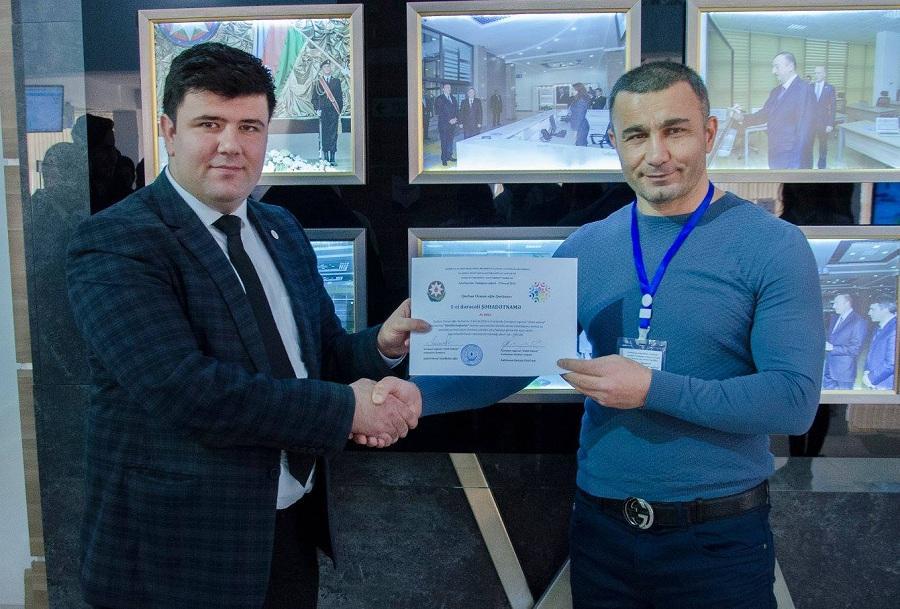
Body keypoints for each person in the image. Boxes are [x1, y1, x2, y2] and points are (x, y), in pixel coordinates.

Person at [397, 62, 824, 608]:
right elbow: (518, 358)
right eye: (636, 136)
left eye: (675, 131)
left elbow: (791, 401)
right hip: (603, 533)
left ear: (710, 133)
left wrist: (650, 389)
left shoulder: (773, 245)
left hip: (717, 540)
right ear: (615, 143)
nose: (657, 154)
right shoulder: (588, 245)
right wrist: (416, 397)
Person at [66, 42, 425, 609]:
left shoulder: (280, 227)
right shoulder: (118, 240)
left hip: (288, 529)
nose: (231, 145)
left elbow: (319, 354)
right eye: (209, 123)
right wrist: (347, 409)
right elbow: (184, 390)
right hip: (176, 555)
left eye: (250, 127)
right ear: (168, 131)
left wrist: (379, 347)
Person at [732, 52, 815, 169]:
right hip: (775, 153)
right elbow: (764, 114)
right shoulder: (776, 91)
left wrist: (795, 169)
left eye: (777, 67)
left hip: (793, 160)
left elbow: (805, 131)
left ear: (790, 67)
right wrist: (741, 117)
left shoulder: (805, 90)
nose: (773, 71)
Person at [822, 293, 868, 390]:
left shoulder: (858, 321)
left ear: (847, 303)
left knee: (843, 399)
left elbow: (855, 349)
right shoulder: (834, 318)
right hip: (829, 370)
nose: (834, 306)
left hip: (844, 373)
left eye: (836, 303)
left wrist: (833, 348)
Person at [312, 59, 343, 165]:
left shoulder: (336, 81)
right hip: (323, 112)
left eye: (329, 67)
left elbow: (340, 98)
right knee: (324, 133)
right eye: (325, 67)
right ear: (322, 69)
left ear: (331, 68)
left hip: (333, 112)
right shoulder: (318, 83)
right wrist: (317, 109)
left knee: (333, 134)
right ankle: (325, 156)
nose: (327, 68)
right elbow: (314, 98)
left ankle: (332, 157)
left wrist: (338, 110)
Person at [863, 299, 897, 390]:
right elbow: (872, 352)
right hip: (876, 381)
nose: (869, 313)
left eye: (872, 309)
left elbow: (892, 363)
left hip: (886, 384)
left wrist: (871, 378)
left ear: (885, 310)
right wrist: (867, 371)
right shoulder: (879, 326)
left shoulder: (895, 329)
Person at [810, 66, 836, 169]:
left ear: (824, 74)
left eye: (819, 73)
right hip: (810, 123)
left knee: (823, 145)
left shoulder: (830, 88)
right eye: (815, 73)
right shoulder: (810, 86)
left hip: (823, 123)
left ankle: (821, 166)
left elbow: (833, 107)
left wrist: (830, 124)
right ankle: (808, 166)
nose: (817, 75)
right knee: (808, 145)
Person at [435, 82, 459, 166]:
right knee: (444, 142)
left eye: (450, 87)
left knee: (450, 141)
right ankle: (444, 159)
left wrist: (456, 118)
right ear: (443, 89)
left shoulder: (453, 98)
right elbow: (439, 112)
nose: (449, 89)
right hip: (444, 125)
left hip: (452, 124)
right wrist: (449, 120)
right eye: (447, 87)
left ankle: (449, 156)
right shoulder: (439, 98)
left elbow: (456, 109)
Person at [568, 82, 591, 146]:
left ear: (578, 90)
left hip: (580, 127)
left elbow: (580, 116)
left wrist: (575, 131)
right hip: (580, 125)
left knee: (580, 147)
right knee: (580, 145)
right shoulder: (578, 98)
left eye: (573, 89)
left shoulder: (581, 100)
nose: (571, 91)